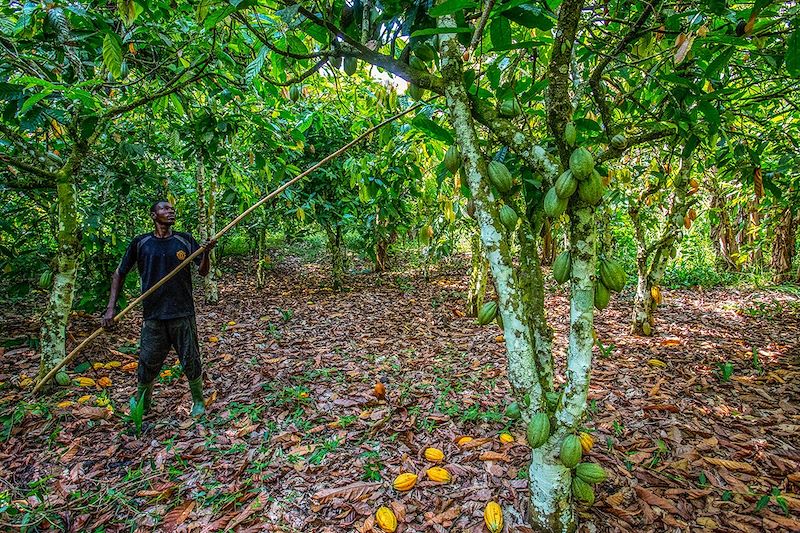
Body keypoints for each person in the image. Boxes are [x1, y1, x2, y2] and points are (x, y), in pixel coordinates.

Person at [102, 200, 215, 418]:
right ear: (153, 215)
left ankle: (198, 400)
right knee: (148, 359)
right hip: (153, 313)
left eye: (172, 209)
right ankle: (144, 402)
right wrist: (110, 308)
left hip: (182, 311)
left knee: (190, 357)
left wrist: (206, 253)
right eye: (164, 208)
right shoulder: (141, 243)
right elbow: (120, 273)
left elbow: (202, 272)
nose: (170, 211)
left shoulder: (184, 239)